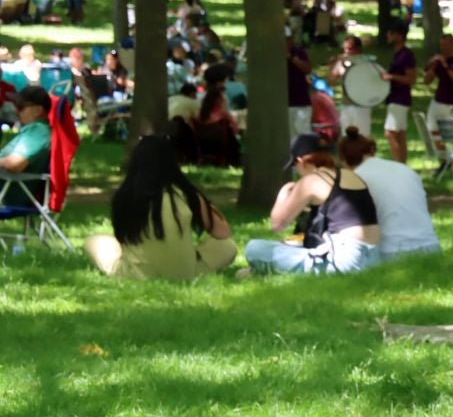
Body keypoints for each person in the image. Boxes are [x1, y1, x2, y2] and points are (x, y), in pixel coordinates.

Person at [84, 134, 237, 280]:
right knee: (227, 246)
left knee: (95, 241)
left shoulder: (126, 195)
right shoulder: (186, 193)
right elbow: (223, 232)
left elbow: (122, 239)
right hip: (185, 272)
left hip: (135, 274)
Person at [243, 133, 382, 274]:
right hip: (373, 258)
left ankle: (259, 271)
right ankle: (261, 272)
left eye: (295, 166)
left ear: (301, 162)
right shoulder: (349, 174)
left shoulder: (311, 181)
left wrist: (284, 191)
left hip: (343, 260)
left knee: (254, 248)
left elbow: (277, 224)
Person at [338, 126, 440, 259]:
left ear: (344, 159)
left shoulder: (356, 179)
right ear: (371, 150)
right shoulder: (404, 169)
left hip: (391, 250)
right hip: (431, 246)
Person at [0, 85, 53, 207]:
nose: (16, 111)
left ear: (38, 110)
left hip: (7, 194)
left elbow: (14, 164)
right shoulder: (33, 131)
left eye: (21, 107)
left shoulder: (38, 132)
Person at [380, 22, 418, 162]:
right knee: (400, 133)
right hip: (394, 97)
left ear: (400, 36)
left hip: (400, 98)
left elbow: (411, 78)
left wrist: (392, 77)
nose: (388, 36)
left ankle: (397, 164)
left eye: (391, 33)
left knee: (390, 133)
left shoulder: (406, 55)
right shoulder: (397, 54)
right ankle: (402, 164)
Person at [328, 35, 374, 136]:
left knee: (363, 136)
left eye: (350, 49)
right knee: (346, 136)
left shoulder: (366, 63)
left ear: (359, 49)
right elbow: (331, 80)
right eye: (345, 49)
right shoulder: (343, 62)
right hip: (346, 104)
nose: (347, 52)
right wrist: (335, 64)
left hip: (362, 105)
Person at [423, 33, 453, 129]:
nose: (444, 48)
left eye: (446, 45)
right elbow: (427, 81)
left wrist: (446, 66)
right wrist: (431, 65)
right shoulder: (439, 61)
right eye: (442, 45)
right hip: (438, 100)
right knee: (432, 131)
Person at [286, 37, 313, 137]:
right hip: (284, 102)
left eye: (289, 39)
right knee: (290, 134)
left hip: (301, 100)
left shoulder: (298, 53)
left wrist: (291, 58)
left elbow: (307, 69)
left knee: (303, 133)